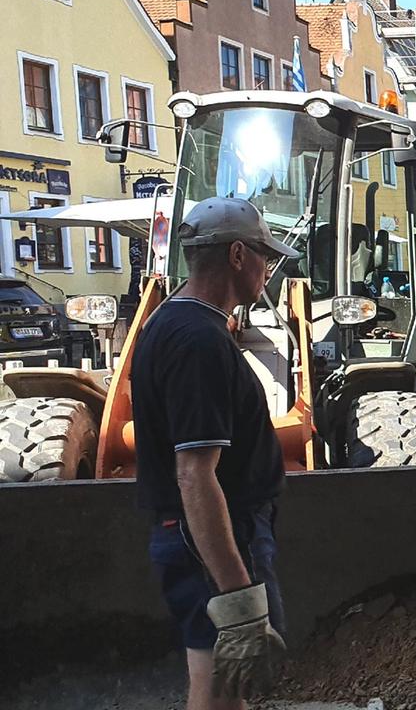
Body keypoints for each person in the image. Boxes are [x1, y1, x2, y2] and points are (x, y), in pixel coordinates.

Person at [133, 198, 298, 708]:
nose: (268, 269)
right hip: (218, 540)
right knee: (223, 682)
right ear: (236, 256)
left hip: (200, 537)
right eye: (264, 256)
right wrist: (238, 601)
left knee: (214, 676)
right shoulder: (197, 341)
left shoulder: (176, 324)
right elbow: (195, 477)